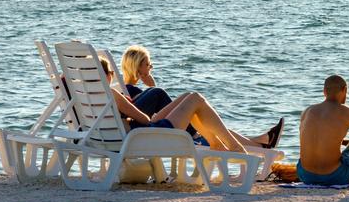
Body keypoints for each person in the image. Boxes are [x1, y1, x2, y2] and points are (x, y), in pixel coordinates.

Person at [120, 45, 283, 149]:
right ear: (138, 67)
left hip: (173, 131)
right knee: (212, 126)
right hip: (184, 135)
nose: (151, 67)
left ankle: (260, 141)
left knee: (217, 128)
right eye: (148, 64)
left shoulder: (126, 92)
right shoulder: (133, 92)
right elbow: (150, 118)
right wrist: (153, 87)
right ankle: (260, 142)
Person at [98, 57, 247, 152]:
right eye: (110, 72)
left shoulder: (83, 97)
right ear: (105, 75)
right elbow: (145, 120)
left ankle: (216, 144)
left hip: (124, 135)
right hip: (142, 136)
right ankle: (231, 145)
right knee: (195, 98)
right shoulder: (111, 94)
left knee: (187, 96)